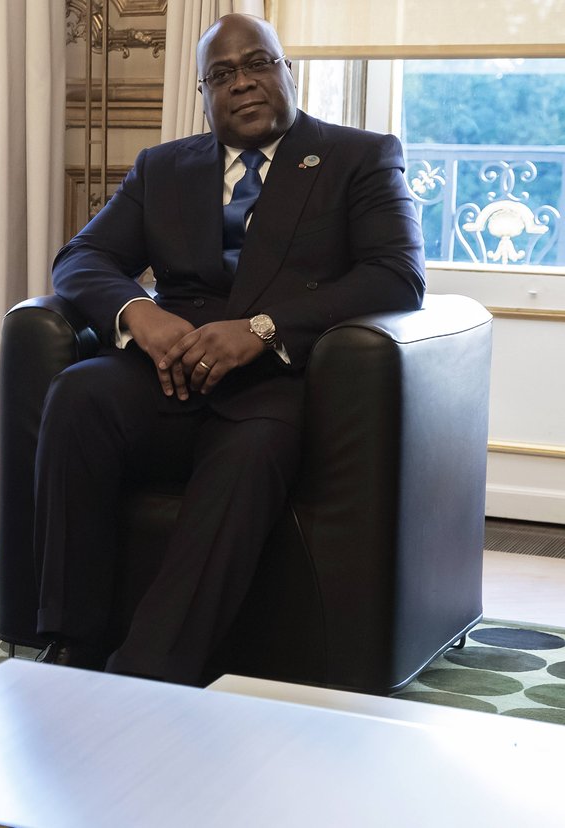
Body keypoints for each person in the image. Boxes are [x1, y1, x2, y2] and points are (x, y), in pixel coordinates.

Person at [33, 14, 425, 685]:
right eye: (221, 74)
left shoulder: (358, 157)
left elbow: (395, 274)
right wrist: (139, 313)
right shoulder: (163, 167)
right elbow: (83, 257)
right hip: (167, 372)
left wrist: (262, 328)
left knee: (250, 452)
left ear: (287, 72)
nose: (241, 83)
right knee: (79, 393)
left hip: (275, 383)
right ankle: (69, 642)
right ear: (201, 92)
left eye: (258, 64)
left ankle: (149, 670)